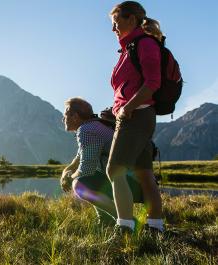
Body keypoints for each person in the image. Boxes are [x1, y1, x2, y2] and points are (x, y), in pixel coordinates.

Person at [106, 1, 165, 239]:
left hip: (136, 115)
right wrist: (117, 108)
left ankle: (125, 229)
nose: (113, 29)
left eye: (116, 23)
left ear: (131, 19)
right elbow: (129, 86)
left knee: (114, 170)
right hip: (136, 114)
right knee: (144, 173)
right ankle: (156, 228)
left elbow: (153, 83)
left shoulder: (145, 44)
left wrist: (126, 109)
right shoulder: (129, 47)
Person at [60, 97, 142, 226]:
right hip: (133, 181)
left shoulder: (86, 130)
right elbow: (78, 159)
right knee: (90, 179)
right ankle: (105, 220)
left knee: (80, 184)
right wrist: (65, 173)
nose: (63, 119)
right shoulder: (94, 125)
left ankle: (127, 220)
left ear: (75, 116)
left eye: (65, 115)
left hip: (127, 184)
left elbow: (86, 169)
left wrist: (70, 178)